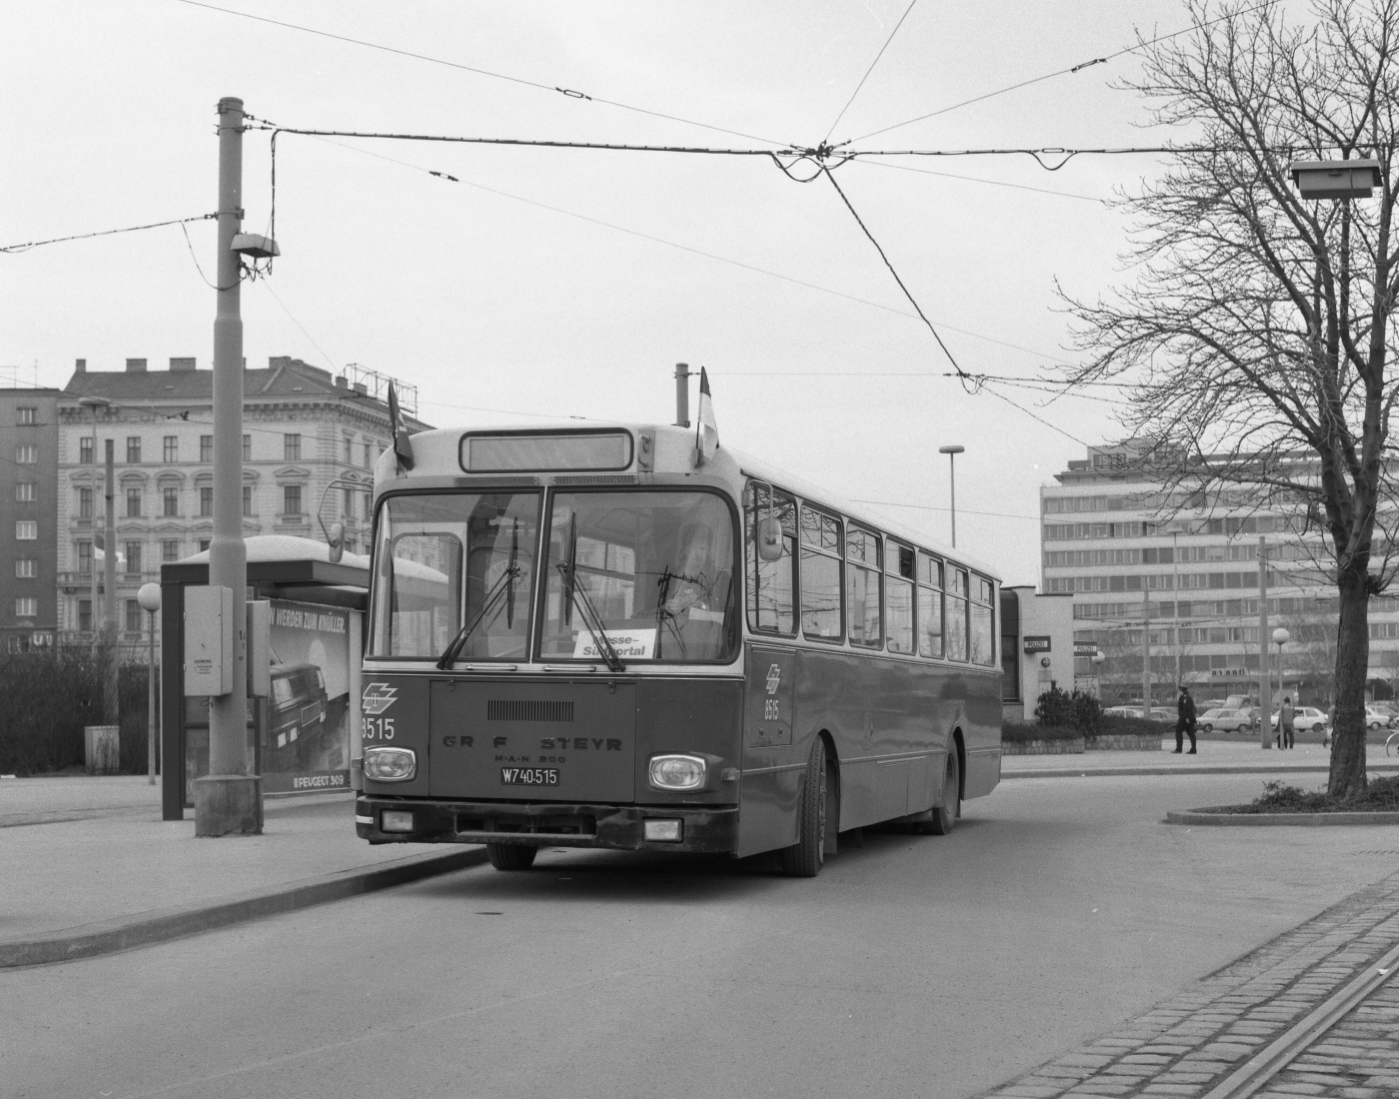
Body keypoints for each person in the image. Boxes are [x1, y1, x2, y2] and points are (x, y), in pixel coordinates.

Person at [1175, 685, 1197, 754]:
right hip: (1190, 717)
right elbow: (1194, 708)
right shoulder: (1189, 697)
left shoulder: (1185, 698)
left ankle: (1179, 748)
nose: (1178, 693)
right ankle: (1193, 749)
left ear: (1181, 691)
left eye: (1179, 691)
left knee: (1178, 731)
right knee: (1191, 733)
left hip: (1185, 718)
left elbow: (1186, 708)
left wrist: (1187, 717)